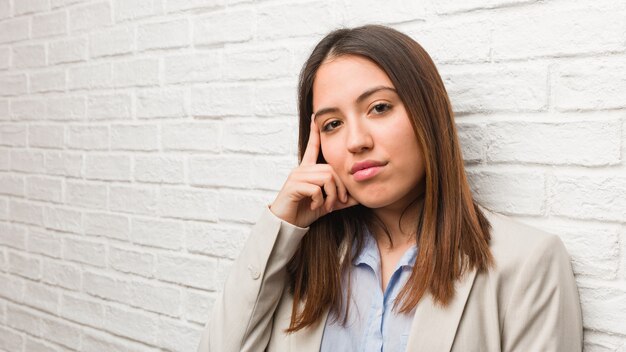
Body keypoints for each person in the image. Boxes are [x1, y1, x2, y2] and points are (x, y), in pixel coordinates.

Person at [197, 24, 583, 352]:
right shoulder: (303, 262)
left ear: (426, 112)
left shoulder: (527, 263)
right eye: (332, 124)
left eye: (379, 108)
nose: (356, 141)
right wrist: (280, 225)